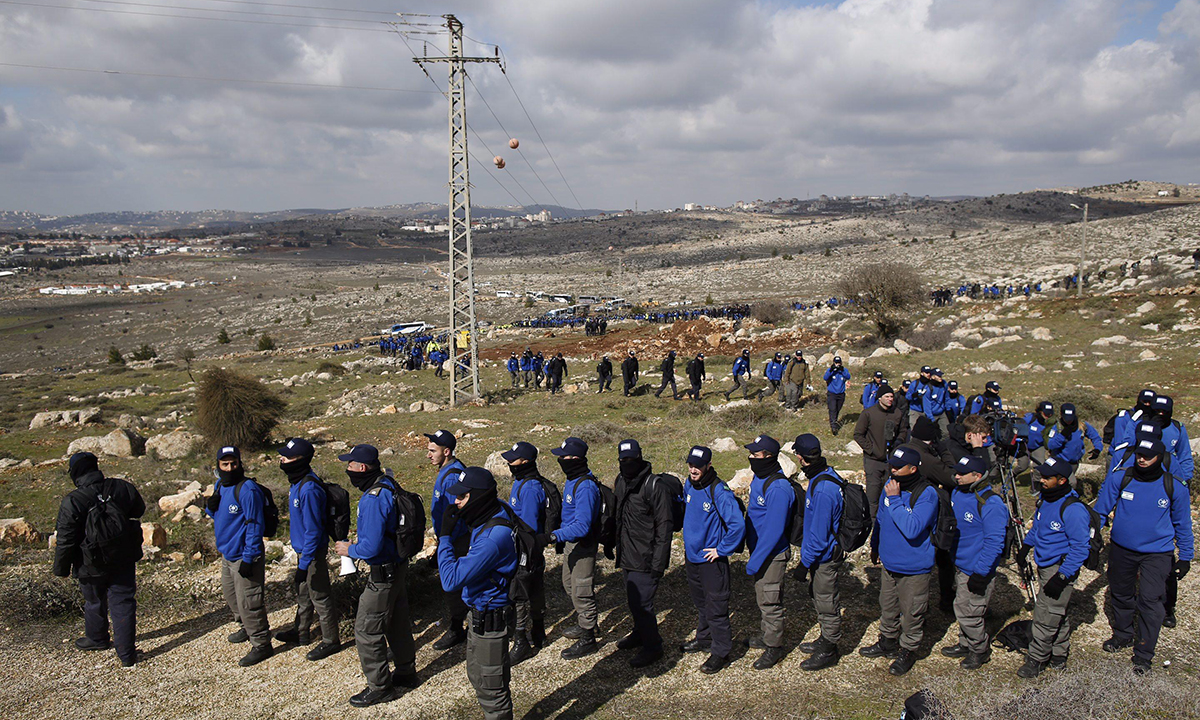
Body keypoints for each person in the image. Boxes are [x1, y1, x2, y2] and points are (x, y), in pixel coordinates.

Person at [1093, 437, 1193, 674]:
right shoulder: (1121, 478)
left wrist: (1186, 557)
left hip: (1157, 553)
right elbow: (1100, 512)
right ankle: (1123, 634)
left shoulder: (1174, 486)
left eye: (1148, 456)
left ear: (1160, 458)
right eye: (1139, 454)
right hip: (1121, 549)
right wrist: (1091, 541)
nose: (1142, 459)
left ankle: (1144, 653)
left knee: (1150, 600)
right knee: (1121, 594)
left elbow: (1183, 525)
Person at [334, 444, 418, 706]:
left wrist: (349, 549)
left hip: (382, 574)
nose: (347, 469)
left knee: (367, 629)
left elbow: (369, 548)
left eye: (349, 465)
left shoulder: (372, 498)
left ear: (361, 467)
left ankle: (380, 687)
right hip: (399, 566)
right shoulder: (389, 484)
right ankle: (406, 671)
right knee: (397, 622)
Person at [437, 467, 519, 720]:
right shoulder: (496, 509)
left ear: (479, 496)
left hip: (491, 618)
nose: (456, 502)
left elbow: (450, 581)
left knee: (492, 688)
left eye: (462, 497)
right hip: (480, 616)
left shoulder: (493, 538)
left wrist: (445, 537)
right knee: (478, 675)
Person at [52, 452, 145, 667]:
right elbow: (139, 509)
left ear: (75, 473)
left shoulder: (73, 501)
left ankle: (97, 638)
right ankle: (127, 655)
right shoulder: (121, 487)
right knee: (123, 602)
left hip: (89, 563)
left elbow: (65, 539)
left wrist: (61, 569)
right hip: (123, 556)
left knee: (94, 600)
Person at [860, 447, 937, 676]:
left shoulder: (927, 494)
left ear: (913, 469)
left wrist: (894, 500)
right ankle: (887, 641)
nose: (892, 470)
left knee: (912, 611)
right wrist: (875, 545)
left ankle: (908, 649)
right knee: (888, 605)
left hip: (914, 567)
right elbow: (881, 521)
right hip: (890, 563)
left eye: (898, 467)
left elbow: (912, 528)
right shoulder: (890, 486)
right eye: (891, 465)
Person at [1016, 456, 1090, 677]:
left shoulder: (1073, 509)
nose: (1042, 480)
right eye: (1042, 476)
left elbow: (1080, 548)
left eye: (1048, 478)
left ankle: (1037, 659)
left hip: (1059, 568)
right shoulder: (1046, 500)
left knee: (1045, 615)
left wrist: (1063, 576)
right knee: (1058, 612)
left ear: (1062, 480)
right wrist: (1025, 547)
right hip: (1045, 565)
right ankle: (1059, 654)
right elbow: (1038, 526)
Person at [204, 445, 273, 667]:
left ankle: (261, 643)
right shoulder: (220, 485)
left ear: (240, 463)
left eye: (234, 463)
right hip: (227, 553)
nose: (230, 467)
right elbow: (219, 514)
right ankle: (246, 627)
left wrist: (250, 556)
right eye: (225, 464)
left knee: (249, 600)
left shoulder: (247, 489)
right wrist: (209, 508)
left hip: (244, 554)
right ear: (218, 466)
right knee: (232, 596)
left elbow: (255, 524)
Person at [681, 445, 745, 674]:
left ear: (708, 465)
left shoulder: (719, 491)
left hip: (711, 561)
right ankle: (704, 638)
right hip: (692, 557)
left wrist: (721, 550)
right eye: (690, 465)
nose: (693, 469)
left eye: (698, 466)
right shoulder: (689, 484)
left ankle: (721, 652)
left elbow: (737, 525)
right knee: (701, 604)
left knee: (716, 607)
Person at [941, 455, 1008, 670]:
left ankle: (979, 649)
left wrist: (981, 573)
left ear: (977, 476)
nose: (956, 476)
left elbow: (994, 543)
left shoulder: (991, 503)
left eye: (962, 473)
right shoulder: (959, 493)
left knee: (970, 611)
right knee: (962, 605)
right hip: (960, 564)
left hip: (977, 569)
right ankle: (965, 642)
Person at [276, 438, 340, 661]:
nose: (281, 459)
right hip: (303, 553)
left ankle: (331, 640)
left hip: (311, 554)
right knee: (304, 594)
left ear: (300, 460)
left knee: (320, 596)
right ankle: (301, 632)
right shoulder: (297, 482)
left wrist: (304, 565)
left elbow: (313, 531)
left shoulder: (310, 488)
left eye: (287, 456)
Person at [612, 439, 674, 669]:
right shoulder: (621, 480)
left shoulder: (653, 485)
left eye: (631, 460)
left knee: (643, 604)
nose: (627, 464)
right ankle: (639, 633)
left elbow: (664, 525)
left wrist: (659, 563)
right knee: (633, 600)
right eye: (623, 460)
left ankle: (653, 646)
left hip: (646, 557)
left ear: (640, 458)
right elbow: (618, 517)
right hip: (628, 553)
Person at [793, 435, 844, 671]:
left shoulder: (823, 489)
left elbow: (819, 534)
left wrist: (805, 563)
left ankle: (829, 649)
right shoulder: (824, 476)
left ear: (801, 457)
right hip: (821, 554)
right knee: (820, 596)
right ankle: (826, 638)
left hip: (824, 557)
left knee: (826, 602)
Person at [547, 437, 601, 658]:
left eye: (564, 456)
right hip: (571, 543)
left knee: (581, 589)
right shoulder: (572, 478)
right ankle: (585, 622)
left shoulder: (585, 486)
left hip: (583, 545)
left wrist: (553, 536)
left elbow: (582, 525)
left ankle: (589, 637)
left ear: (575, 459)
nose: (560, 459)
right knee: (569, 584)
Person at [743, 435, 793, 670]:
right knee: (763, 597)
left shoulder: (779, 488)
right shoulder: (759, 477)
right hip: (759, 552)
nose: (751, 458)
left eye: (756, 454)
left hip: (771, 555)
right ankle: (767, 636)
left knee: (771, 601)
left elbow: (773, 531)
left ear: (769, 457)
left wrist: (755, 561)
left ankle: (774, 647)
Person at [903, 416, 957, 613]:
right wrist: (945, 452)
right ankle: (943, 600)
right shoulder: (928, 459)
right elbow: (951, 477)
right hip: (926, 510)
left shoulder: (904, 449)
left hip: (905, 508)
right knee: (940, 556)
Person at [427, 429, 469, 651]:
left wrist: (447, 542)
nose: (429, 455)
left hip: (455, 539)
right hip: (449, 537)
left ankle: (457, 628)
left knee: (453, 584)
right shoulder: (447, 470)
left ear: (447, 451)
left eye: (433, 451)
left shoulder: (452, 475)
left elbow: (457, 513)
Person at [853, 383, 910, 519]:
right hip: (873, 460)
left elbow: (903, 430)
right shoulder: (868, 413)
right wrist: (871, 449)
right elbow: (858, 434)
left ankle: (886, 520)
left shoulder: (897, 413)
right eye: (887, 396)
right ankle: (870, 523)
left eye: (891, 396)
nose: (890, 399)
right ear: (880, 398)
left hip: (891, 461)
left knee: (889, 493)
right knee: (873, 495)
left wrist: (899, 441)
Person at [1045, 403, 1103, 487]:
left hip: (1074, 463)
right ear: (1061, 415)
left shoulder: (1082, 426)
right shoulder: (1057, 428)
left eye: (1070, 418)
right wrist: (1062, 435)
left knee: (1063, 485)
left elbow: (1096, 437)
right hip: (1060, 461)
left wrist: (1097, 449)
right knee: (1071, 483)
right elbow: (1050, 445)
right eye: (1066, 419)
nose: (1068, 421)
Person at [1017, 401, 1055, 491]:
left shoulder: (1051, 423)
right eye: (1045, 413)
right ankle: (1012, 476)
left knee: (1040, 464)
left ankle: (1036, 485)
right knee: (1023, 465)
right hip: (1025, 445)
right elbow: (1019, 424)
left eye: (1050, 413)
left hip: (1038, 446)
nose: (1048, 415)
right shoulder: (1031, 418)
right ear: (1040, 411)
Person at [824, 356, 850, 434]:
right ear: (834, 363)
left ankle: (834, 421)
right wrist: (832, 370)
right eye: (836, 363)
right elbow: (825, 377)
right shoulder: (831, 370)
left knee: (838, 409)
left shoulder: (843, 370)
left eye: (839, 363)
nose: (837, 364)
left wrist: (841, 370)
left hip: (841, 394)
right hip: (832, 393)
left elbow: (848, 376)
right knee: (832, 409)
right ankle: (833, 426)